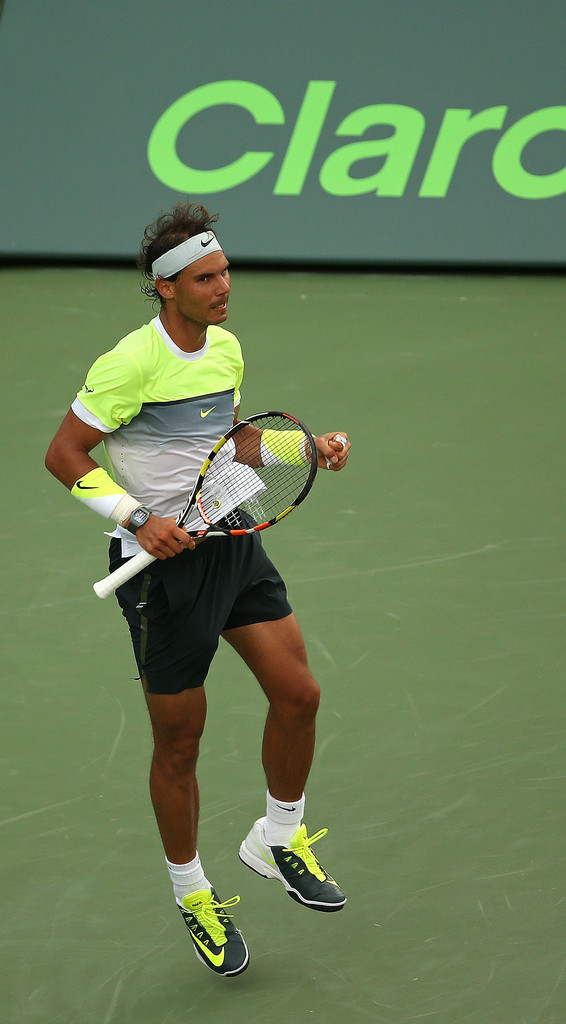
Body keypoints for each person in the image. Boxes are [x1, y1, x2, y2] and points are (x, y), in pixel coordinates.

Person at [45, 203, 351, 978]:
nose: (222, 289)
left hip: (232, 537)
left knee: (300, 695)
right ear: (164, 289)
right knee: (179, 744)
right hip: (163, 578)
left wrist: (303, 447)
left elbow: (237, 438)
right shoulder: (128, 365)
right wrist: (136, 516)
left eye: (223, 274)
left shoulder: (224, 348)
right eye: (205, 279)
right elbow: (64, 452)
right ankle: (192, 891)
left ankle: (277, 836)